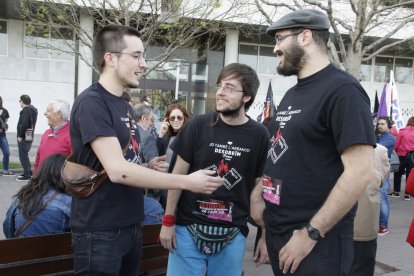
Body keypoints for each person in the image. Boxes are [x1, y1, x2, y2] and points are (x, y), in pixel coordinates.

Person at [69, 25, 223, 275]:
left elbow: (117, 164)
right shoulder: (92, 103)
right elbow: (118, 171)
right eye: (136, 55)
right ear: (110, 58)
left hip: (130, 224)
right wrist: (186, 181)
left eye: (143, 56)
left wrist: (144, 167)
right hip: (100, 231)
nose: (143, 63)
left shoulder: (123, 104)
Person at [257, 9, 376, 275]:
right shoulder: (291, 94)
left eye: (279, 39)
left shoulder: (343, 91)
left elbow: (360, 171)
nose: (275, 48)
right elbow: (281, 154)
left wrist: (311, 233)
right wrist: (258, 195)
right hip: (281, 234)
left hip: (317, 244)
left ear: (306, 36)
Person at [159, 63, 270, 276]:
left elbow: (261, 189)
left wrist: (265, 236)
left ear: (246, 97)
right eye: (220, 85)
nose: (220, 92)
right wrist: (168, 221)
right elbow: (177, 177)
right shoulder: (197, 125)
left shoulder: (260, 135)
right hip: (186, 229)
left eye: (229, 87)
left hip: (233, 232)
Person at [3, 154, 71, 238]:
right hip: (57, 250)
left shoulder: (22, 196)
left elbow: (8, 229)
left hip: (20, 249)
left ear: (42, 171)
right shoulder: (69, 202)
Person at [351, 144, 389, 276]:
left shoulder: (326, 145)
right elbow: (383, 180)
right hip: (364, 222)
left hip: (353, 226)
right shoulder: (379, 150)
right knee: (361, 266)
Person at [34, 100, 72, 174]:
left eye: (48, 111)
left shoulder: (72, 135)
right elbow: (38, 157)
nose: (45, 113)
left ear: (59, 114)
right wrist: (34, 178)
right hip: (41, 182)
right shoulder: (46, 133)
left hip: (59, 184)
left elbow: (76, 164)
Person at [376, 116, 396, 236]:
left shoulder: (389, 138)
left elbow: (374, 148)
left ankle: (383, 226)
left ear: (389, 126)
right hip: (375, 170)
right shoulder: (379, 136)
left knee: (382, 198)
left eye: (382, 124)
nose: (379, 126)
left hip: (383, 171)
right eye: (378, 124)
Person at [392, 117, 414, 201]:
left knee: (398, 173)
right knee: (410, 174)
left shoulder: (402, 131)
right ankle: (407, 194)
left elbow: (397, 144)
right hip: (412, 156)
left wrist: (397, 152)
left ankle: (396, 192)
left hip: (402, 154)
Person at [16, 94, 38, 181]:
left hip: (24, 136)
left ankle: (27, 175)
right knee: (25, 154)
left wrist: (20, 136)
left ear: (23, 101)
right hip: (29, 135)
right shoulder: (33, 109)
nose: (19, 103)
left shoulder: (26, 110)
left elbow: (24, 123)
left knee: (23, 155)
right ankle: (27, 171)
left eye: (20, 101)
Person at [0, 96, 14, 176]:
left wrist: (3, 128)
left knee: (6, 153)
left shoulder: (5, 111)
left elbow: (4, 123)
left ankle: (5, 170)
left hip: (2, 136)